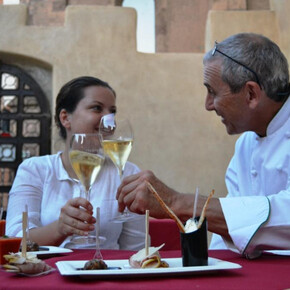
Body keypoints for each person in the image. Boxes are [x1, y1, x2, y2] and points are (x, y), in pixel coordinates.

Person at [116, 33, 290, 259]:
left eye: (213, 92)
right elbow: (229, 227)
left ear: (251, 93)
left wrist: (175, 202)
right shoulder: (246, 144)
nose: (208, 105)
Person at [6, 76, 145, 250]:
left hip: (108, 274)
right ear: (65, 118)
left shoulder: (128, 173)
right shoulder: (34, 170)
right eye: (97, 108)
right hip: (45, 274)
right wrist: (59, 228)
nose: (109, 121)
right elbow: (14, 241)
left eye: (112, 112)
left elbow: (136, 250)